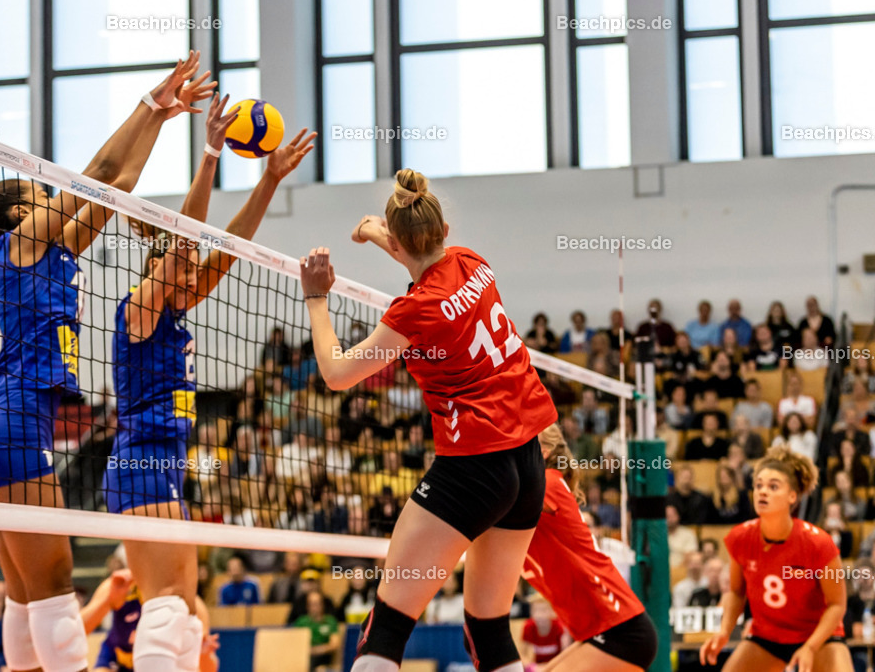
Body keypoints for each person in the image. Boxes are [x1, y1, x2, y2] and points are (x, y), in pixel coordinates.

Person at [0, 54, 214, 672]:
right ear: (22, 213)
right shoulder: (24, 242)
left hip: (7, 424)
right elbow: (98, 170)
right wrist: (149, 105)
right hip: (16, 422)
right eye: (43, 193)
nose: (53, 194)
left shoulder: (58, 250)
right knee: (53, 591)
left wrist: (163, 120)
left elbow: (116, 184)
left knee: (23, 596)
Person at [303, 169, 558, 672]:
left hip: (473, 468)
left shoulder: (414, 312)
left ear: (401, 241)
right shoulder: (474, 263)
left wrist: (316, 298)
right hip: (527, 464)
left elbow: (335, 372)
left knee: (387, 627)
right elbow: (429, 259)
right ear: (444, 231)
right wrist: (378, 234)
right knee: (488, 632)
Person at [103, 89, 314, 669]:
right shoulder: (140, 308)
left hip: (165, 461)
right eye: (184, 263)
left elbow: (229, 246)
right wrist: (210, 153)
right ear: (162, 265)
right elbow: (187, 242)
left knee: (188, 612)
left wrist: (269, 179)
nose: (195, 271)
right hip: (142, 463)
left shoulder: (177, 304)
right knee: (169, 609)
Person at [699, 445, 851, 672]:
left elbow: (837, 605)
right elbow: (737, 592)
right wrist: (724, 631)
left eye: (773, 486)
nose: (762, 491)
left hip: (817, 637)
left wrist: (810, 647)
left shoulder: (819, 543)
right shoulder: (740, 537)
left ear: (792, 496)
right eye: (758, 485)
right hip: (767, 639)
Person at [522, 424, 657, 671]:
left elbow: (491, 502)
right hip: (598, 632)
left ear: (542, 451)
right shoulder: (523, 515)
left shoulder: (547, 483)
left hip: (621, 629)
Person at [84, 569, 220, 672]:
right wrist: (106, 601)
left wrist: (203, 654)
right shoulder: (118, 584)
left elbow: (209, 668)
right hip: (118, 662)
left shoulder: (189, 601)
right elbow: (79, 630)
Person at [293, 592, 341, 672]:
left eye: (316, 603)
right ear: (307, 606)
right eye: (311, 604)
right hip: (306, 658)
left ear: (322, 605)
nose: (314, 607)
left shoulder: (330, 621)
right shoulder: (301, 621)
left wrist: (317, 650)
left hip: (325, 657)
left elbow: (334, 644)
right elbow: (296, 644)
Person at [519, 596, 568, 669]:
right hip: (537, 668)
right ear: (531, 612)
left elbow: (566, 654)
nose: (540, 615)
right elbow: (522, 654)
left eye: (544, 610)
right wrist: (532, 666)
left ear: (552, 611)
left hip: (556, 666)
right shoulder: (528, 627)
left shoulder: (559, 626)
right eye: (536, 610)